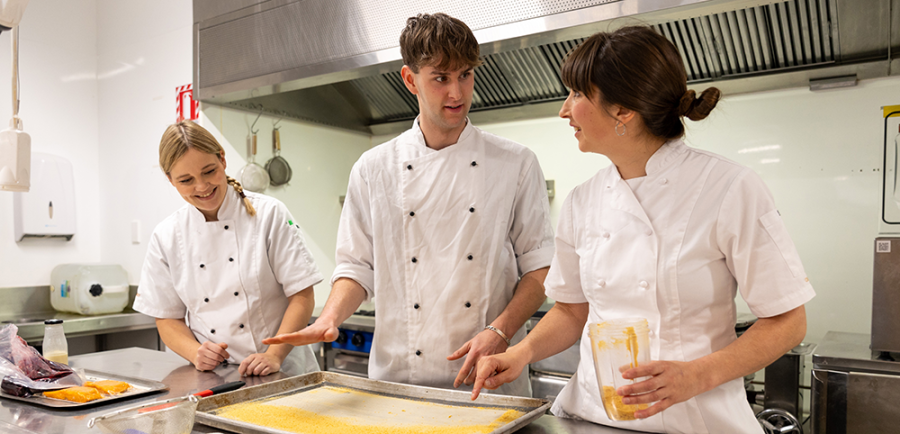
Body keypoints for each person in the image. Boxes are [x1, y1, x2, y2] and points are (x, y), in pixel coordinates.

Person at [470, 26, 815, 433]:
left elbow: (789, 320)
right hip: (594, 417)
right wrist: (522, 352)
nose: (565, 110)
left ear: (623, 111)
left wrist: (696, 375)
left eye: (578, 94)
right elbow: (570, 310)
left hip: (697, 421)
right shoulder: (584, 200)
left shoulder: (728, 187)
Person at [264, 13, 554, 396]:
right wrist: (330, 316)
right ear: (409, 79)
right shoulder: (373, 168)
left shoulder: (514, 163)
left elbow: (540, 268)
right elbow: (356, 267)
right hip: (399, 381)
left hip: (487, 379)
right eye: (441, 78)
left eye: (465, 75)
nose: (457, 93)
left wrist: (499, 331)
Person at [134, 120, 322, 377]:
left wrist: (274, 355)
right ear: (170, 180)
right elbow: (167, 318)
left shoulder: (269, 214)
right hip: (213, 377)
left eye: (209, 171)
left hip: (281, 370)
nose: (202, 187)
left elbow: (302, 296)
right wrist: (194, 352)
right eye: (186, 180)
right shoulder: (167, 235)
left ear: (222, 159)